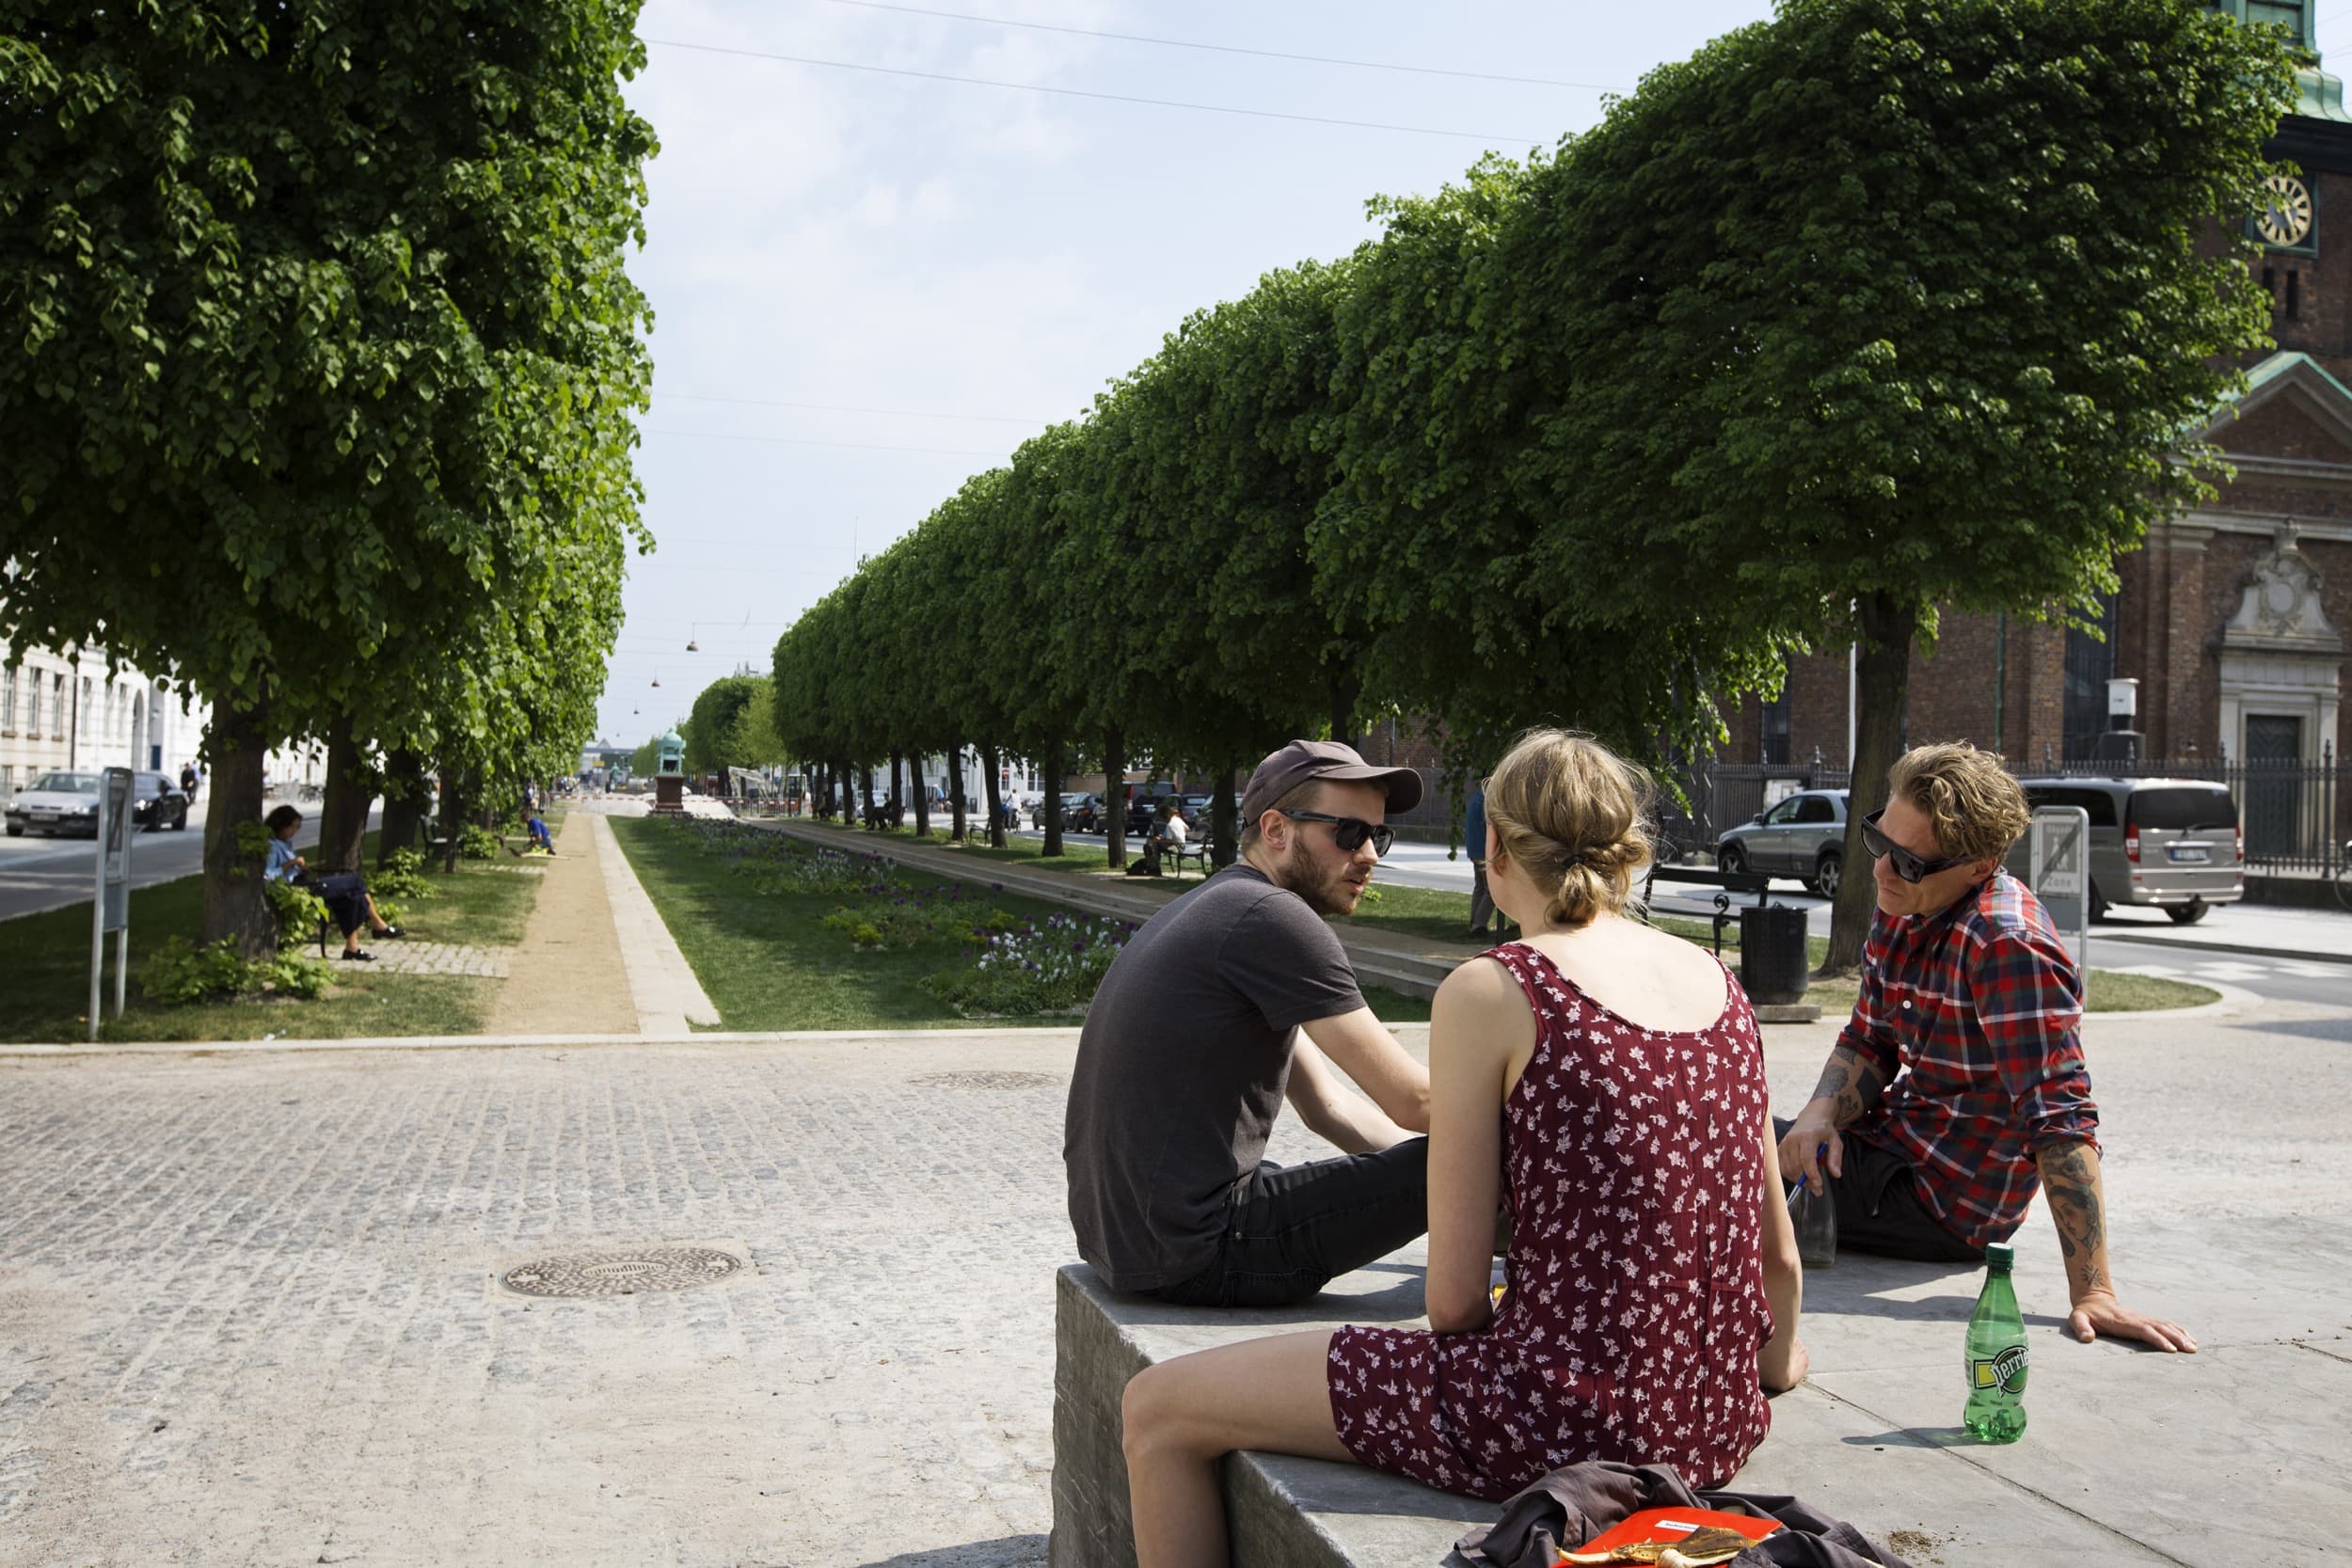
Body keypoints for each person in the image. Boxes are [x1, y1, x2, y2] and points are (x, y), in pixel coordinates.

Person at [1120, 730, 1804, 1566]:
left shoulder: (1497, 986)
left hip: (1552, 1423)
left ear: (1496, 847)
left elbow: (1450, 1305)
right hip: (1714, 1427)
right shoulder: (1721, 984)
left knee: (1157, 1407)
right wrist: (1770, 1367)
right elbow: (1779, 1258)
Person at [1777, 742, 2195, 1353]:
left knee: (1722, 1149)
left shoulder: (2006, 943)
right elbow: (1870, 1040)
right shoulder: (1906, 902)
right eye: (1877, 840)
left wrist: (2094, 1291)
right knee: (1727, 1131)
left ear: (1980, 865)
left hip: (1944, 1200)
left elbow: (2059, 1117)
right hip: (1893, 1150)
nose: (1881, 871)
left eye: (1908, 861)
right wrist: (1818, 1115)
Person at [1065, 739, 1434, 1311]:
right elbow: (1416, 1101)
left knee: (1450, 1165)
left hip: (1132, 1242)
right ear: (1276, 829)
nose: (1369, 855)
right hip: (1202, 1249)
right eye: (1348, 833)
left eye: (1376, 836)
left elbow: (1327, 1109)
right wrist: (1544, 1128)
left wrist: (1441, 1185)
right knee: (1489, 1149)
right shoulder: (1273, 918)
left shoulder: (1223, 904)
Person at [262, 804, 404, 961]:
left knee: (355, 897)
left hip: (303, 882)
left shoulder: (286, 843)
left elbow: (289, 870)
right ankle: (378, 925)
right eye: (292, 827)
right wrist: (291, 863)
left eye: (297, 827)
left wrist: (301, 868)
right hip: (297, 889)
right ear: (281, 825)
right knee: (356, 881)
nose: (295, 831)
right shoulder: (272, 846)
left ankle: (352, 947)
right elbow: (268, 875)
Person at [1463, 779, 1494, 939]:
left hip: (1475, 850)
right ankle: (1479, 925)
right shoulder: (1485, 803)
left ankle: (1474, 921)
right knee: (1491, 891)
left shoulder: (1475, 798)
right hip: (1483, 851)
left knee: (1480, 887)